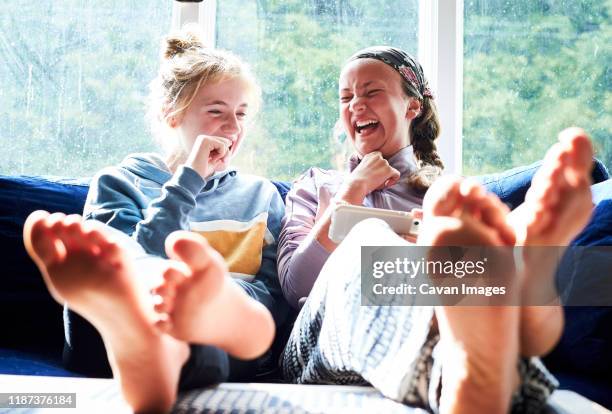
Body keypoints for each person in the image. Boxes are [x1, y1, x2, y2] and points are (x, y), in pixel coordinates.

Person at [277, 46, 594, 413]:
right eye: (345, 97)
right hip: (320, 343)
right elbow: (295, 284)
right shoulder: (316, 185)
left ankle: (481, 359)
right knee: (370, 240)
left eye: (371, 92)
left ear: (412, 107)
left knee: (454, 265)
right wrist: (352, 193)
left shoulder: (446, 196)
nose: (355, 105)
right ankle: (521, 300)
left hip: (434, 321)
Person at [23, 26, 291, 413]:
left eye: (241, 114)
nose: (232, 128)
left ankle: (173, 341)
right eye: (216, 112)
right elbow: (127, 259)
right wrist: (189, 180)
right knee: (118, 266)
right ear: (172, 114)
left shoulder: (260, 195)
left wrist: (209, 299)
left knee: (218, 327)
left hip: (217, 336)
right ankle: (147, 332)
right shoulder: (118, 181)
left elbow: (273, 294)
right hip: (106, 334)